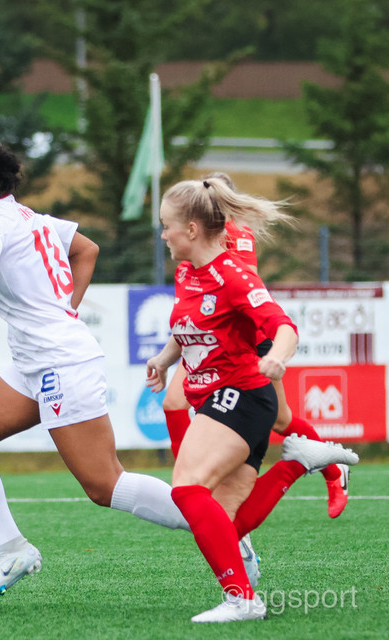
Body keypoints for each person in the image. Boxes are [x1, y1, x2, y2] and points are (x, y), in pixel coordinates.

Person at [0, 142, 194, 604]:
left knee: (105, 485)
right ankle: (13, 549)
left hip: (60, 362)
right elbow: (87, 249)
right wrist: (64, 311)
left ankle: (220, 525)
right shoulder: (26, 216)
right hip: (35, 362)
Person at [146, 177, 359, 623]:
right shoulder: (186, 272)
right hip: (221, 397)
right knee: (227, 522)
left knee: (187, 488)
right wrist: (164, 360)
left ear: (191, 229)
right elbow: (188, 328)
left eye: (166, 226)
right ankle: (296, 463)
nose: (162, 235)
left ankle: (242, 600)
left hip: (240, 394)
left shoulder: (233, 274)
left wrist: (277, 357)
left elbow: (283, 326)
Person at [162, 172, 349, 520]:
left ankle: (332, 470)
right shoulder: (192, 254)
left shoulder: (234, 236)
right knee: (174, 403)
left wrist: (273, 352)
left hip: (240, 339)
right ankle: (197, 487)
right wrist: (163, 357)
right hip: (210, 340)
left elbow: (235, 299)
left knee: (281, 419)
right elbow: (196, 309)